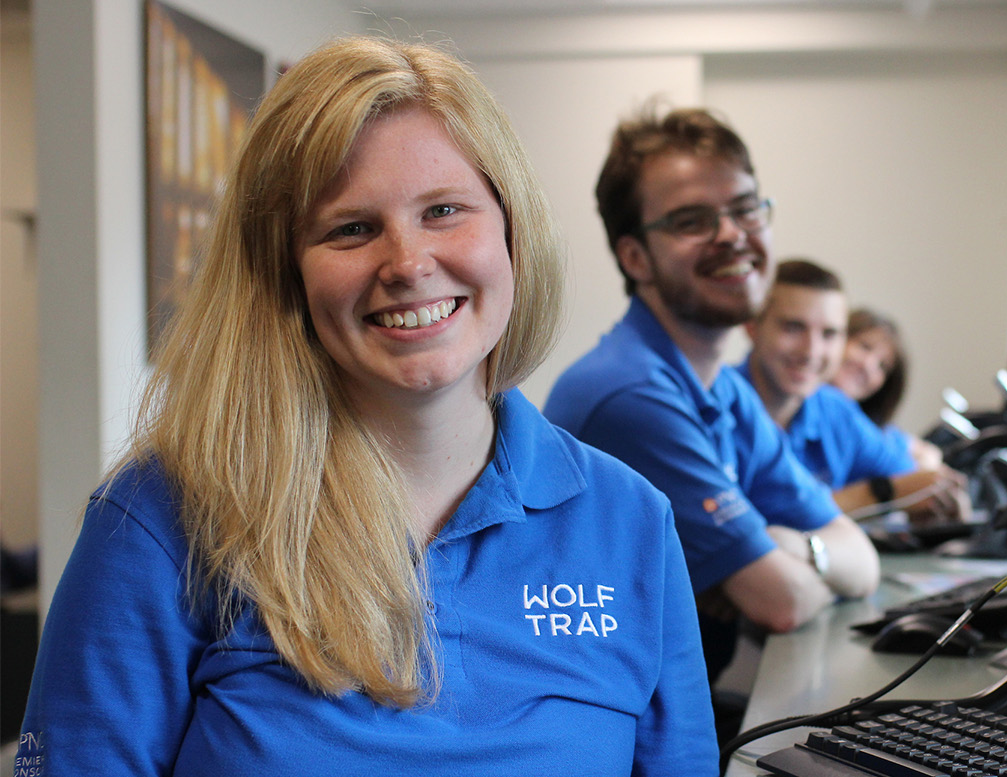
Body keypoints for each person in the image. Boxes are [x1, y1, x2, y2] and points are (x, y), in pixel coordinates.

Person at [18, 37, 717, 775]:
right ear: (283, 271)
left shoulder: (631, 521)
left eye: (444, 210)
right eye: (351, 228)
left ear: (514, 232)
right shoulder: (163, 518)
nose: (408, 264)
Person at [543, 107, 880, 685]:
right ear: (634, 258)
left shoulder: (724, 390)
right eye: (691, 220)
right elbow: (783, 602)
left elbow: (863, 560)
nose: (732, 234)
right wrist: (789, 563)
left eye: (745, 208)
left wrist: (785, 546)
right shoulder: (629, 395)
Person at [742, 259, 966, 522]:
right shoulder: (718, 407)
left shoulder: (834, 409)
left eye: (829, 334)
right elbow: (759, 528)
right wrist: (880, 493)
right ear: (752, 325)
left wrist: (940, 497)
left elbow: (910, 478)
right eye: (793, 328)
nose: (810, 352)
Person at [832, 307, 947, 470]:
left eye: (882, 366)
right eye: (865, 347)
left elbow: (928, 454)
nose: (868, 366)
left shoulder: (867, 424)